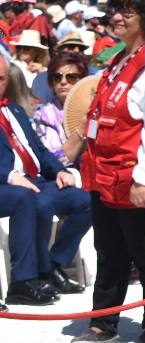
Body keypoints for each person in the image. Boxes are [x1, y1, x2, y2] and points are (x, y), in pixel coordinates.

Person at [68, 0, 145, 343]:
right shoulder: (118, 61)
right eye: (114, 10)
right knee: (109, 251)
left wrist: (143, 179)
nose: (116, 17)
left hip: (130, 176)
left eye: (126, 11)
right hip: (102, 175)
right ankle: (104, 322)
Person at [0, 57, 90, 305]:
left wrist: (60, 170)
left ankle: (53, 264)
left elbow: (38, 150)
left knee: (86, 199)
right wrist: (10, 175)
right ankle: (24, 281)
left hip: (34, 180)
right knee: (28, 199)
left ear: (8, 81)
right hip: (8, 185)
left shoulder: (15, 111)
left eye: (0, 79)